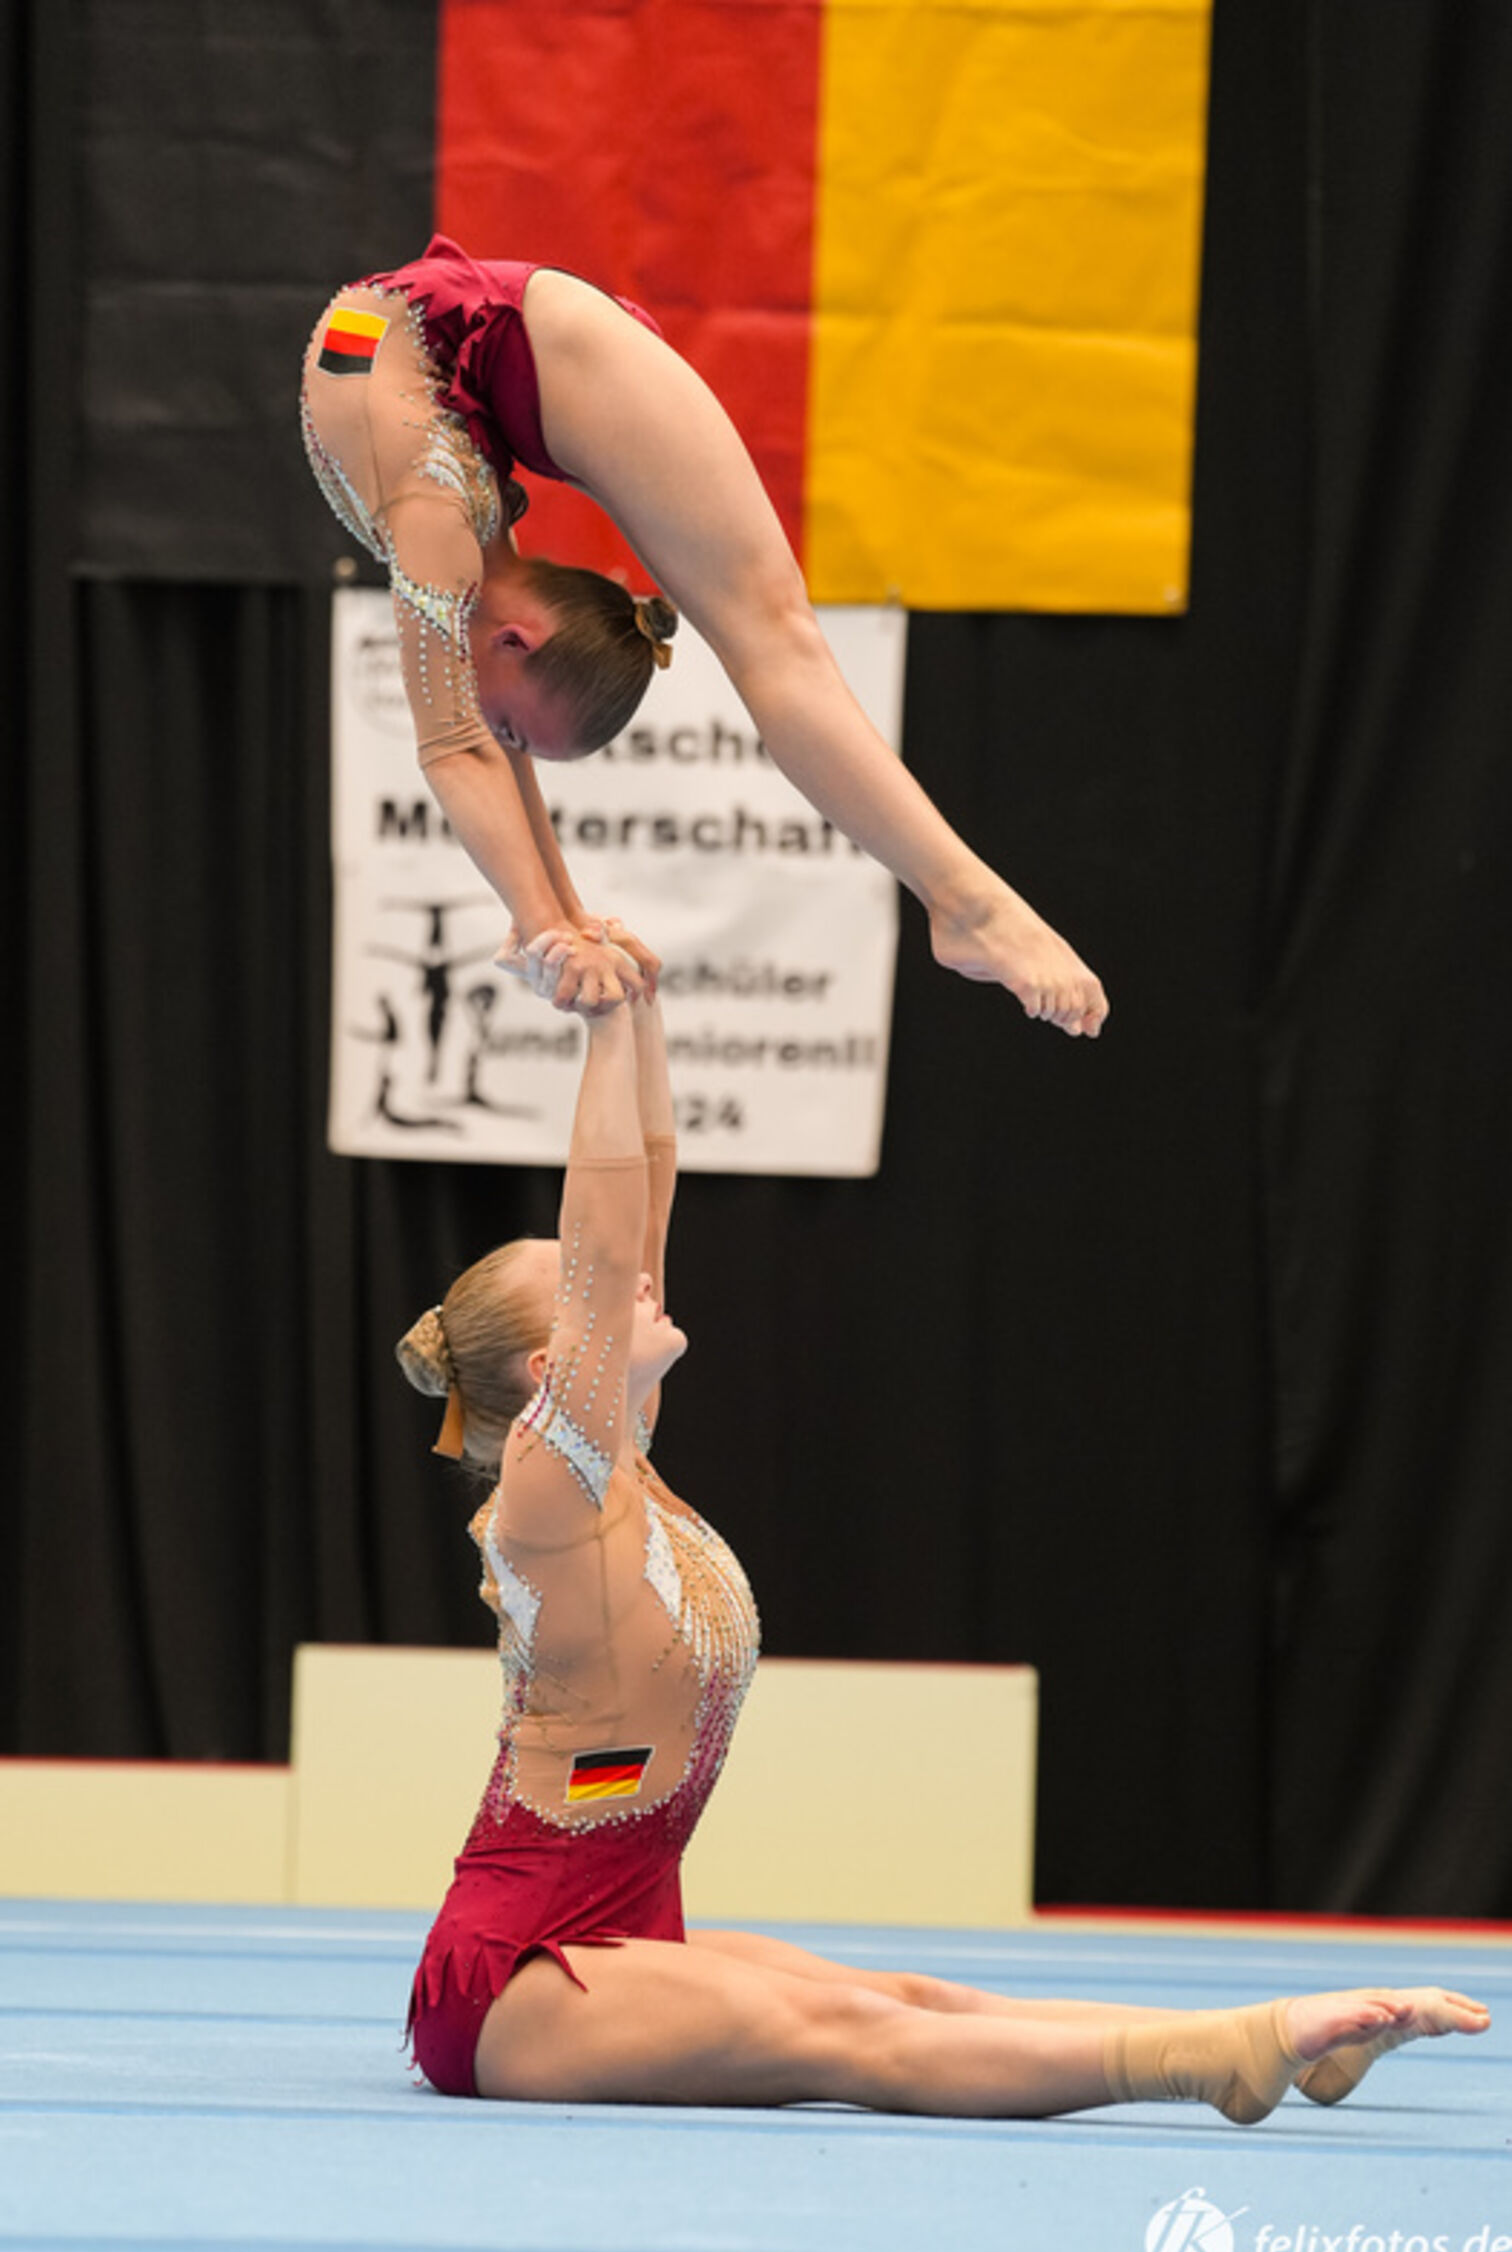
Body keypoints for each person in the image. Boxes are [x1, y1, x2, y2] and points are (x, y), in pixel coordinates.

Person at [394, 940, 1488, 2114]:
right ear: (557, 1368)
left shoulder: (624, 1466)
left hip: (618, 1922)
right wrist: (601, 1034)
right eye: (594, 1296)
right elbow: (610, 1247)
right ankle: (1218, 2057)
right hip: (513, 1974)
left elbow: (639, 1198)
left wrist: (642, 1008)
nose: (640, 1287)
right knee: (846, 2035)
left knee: (908, 1995)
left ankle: (1253, 2042)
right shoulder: (543, 1503)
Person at [304, 234, 1109, 1031]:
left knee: (776, 636)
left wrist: (547, 924)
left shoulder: (435, 528)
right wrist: (560, 921)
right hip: (492, 354)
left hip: (559, 355)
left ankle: (968, 903)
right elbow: (484, 746)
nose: (500, 730)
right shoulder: (464, 547)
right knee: (767, 636)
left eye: (512, 721)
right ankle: (964, 901)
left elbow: (458, 748)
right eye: (511, 724)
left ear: (519, 640)